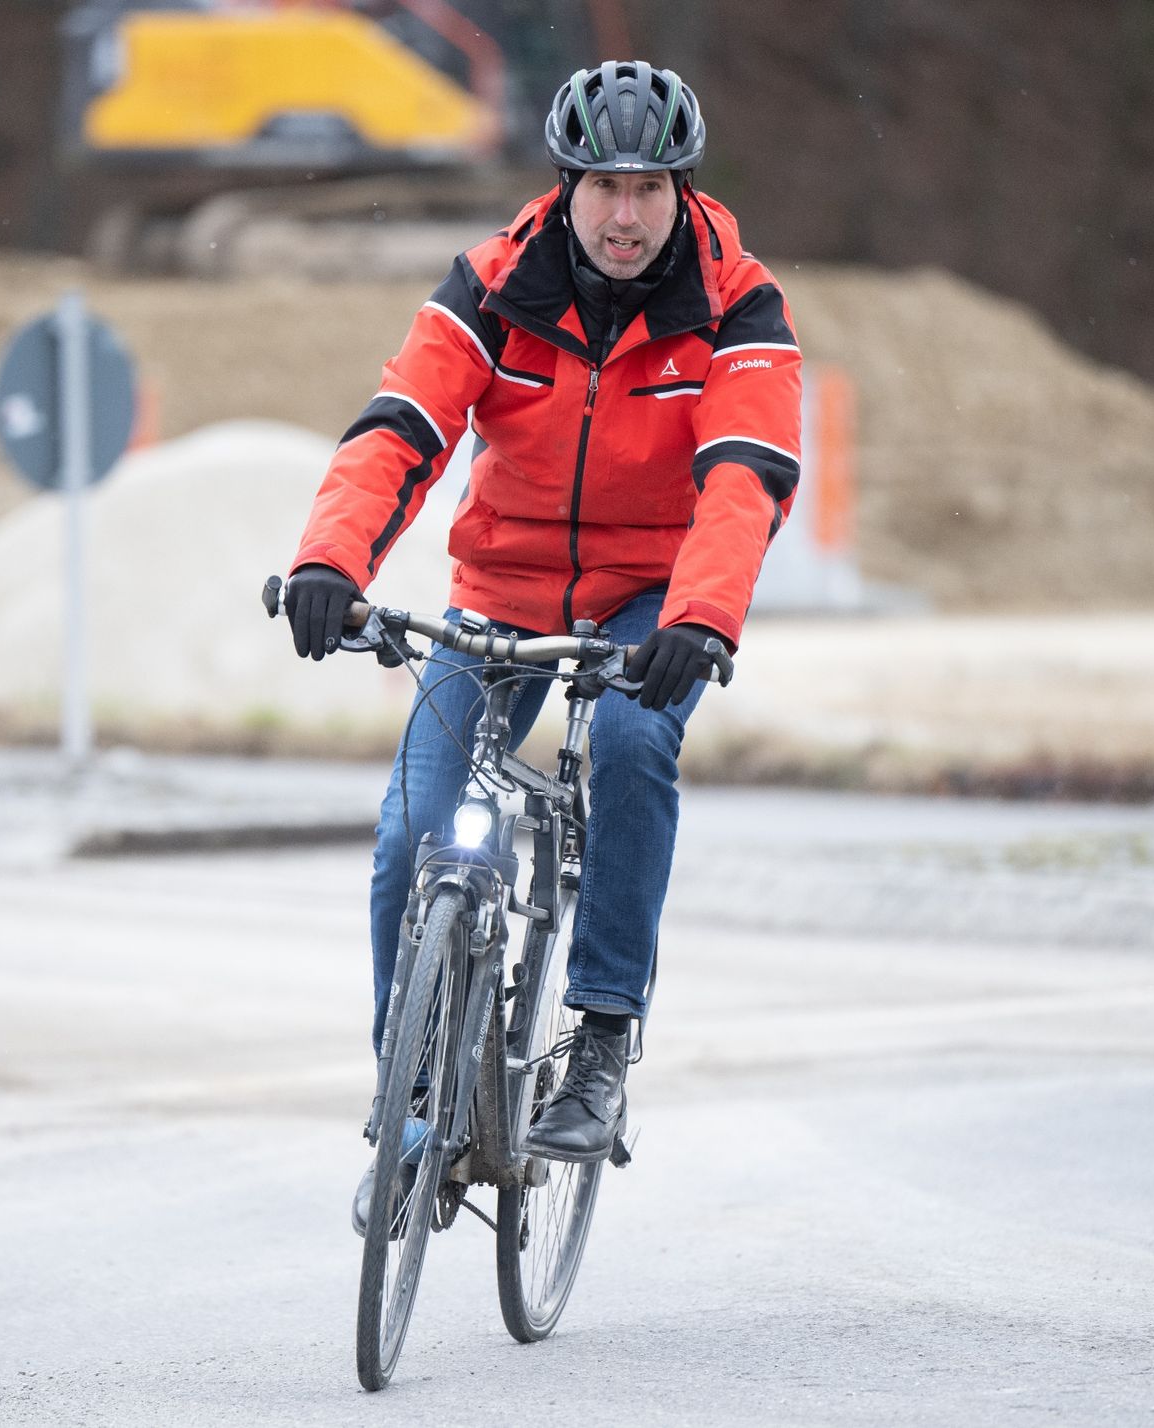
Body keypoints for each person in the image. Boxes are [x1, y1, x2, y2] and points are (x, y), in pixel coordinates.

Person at [281, 61, 801, 1235]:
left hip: (647, 603)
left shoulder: (739, 306)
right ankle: (406, 1109)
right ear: (564, 186)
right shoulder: (495, 282)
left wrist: (698, 621)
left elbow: (744, 478)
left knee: (626, 746)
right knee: (414, 827)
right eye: (603, 187)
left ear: (680, 192)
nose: (624, 215)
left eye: (649, 189)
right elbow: (400, 426)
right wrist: (331, 564)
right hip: (497, 595)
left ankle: (601, 1040)